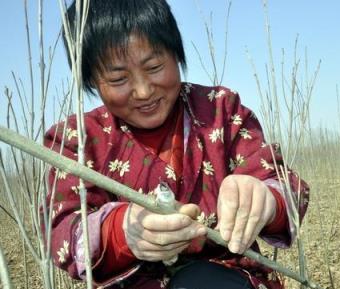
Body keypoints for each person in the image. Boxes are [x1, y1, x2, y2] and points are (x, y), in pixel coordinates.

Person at [43, 1, 309, 288]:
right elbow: (61, 230)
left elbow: (284, 184)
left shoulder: (221, 111)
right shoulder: (76, 141)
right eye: (118, 78)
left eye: (154, 67)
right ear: (93, 81)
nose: (144, 91)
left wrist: (266, 200)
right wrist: (121, 232)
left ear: (176, 53)